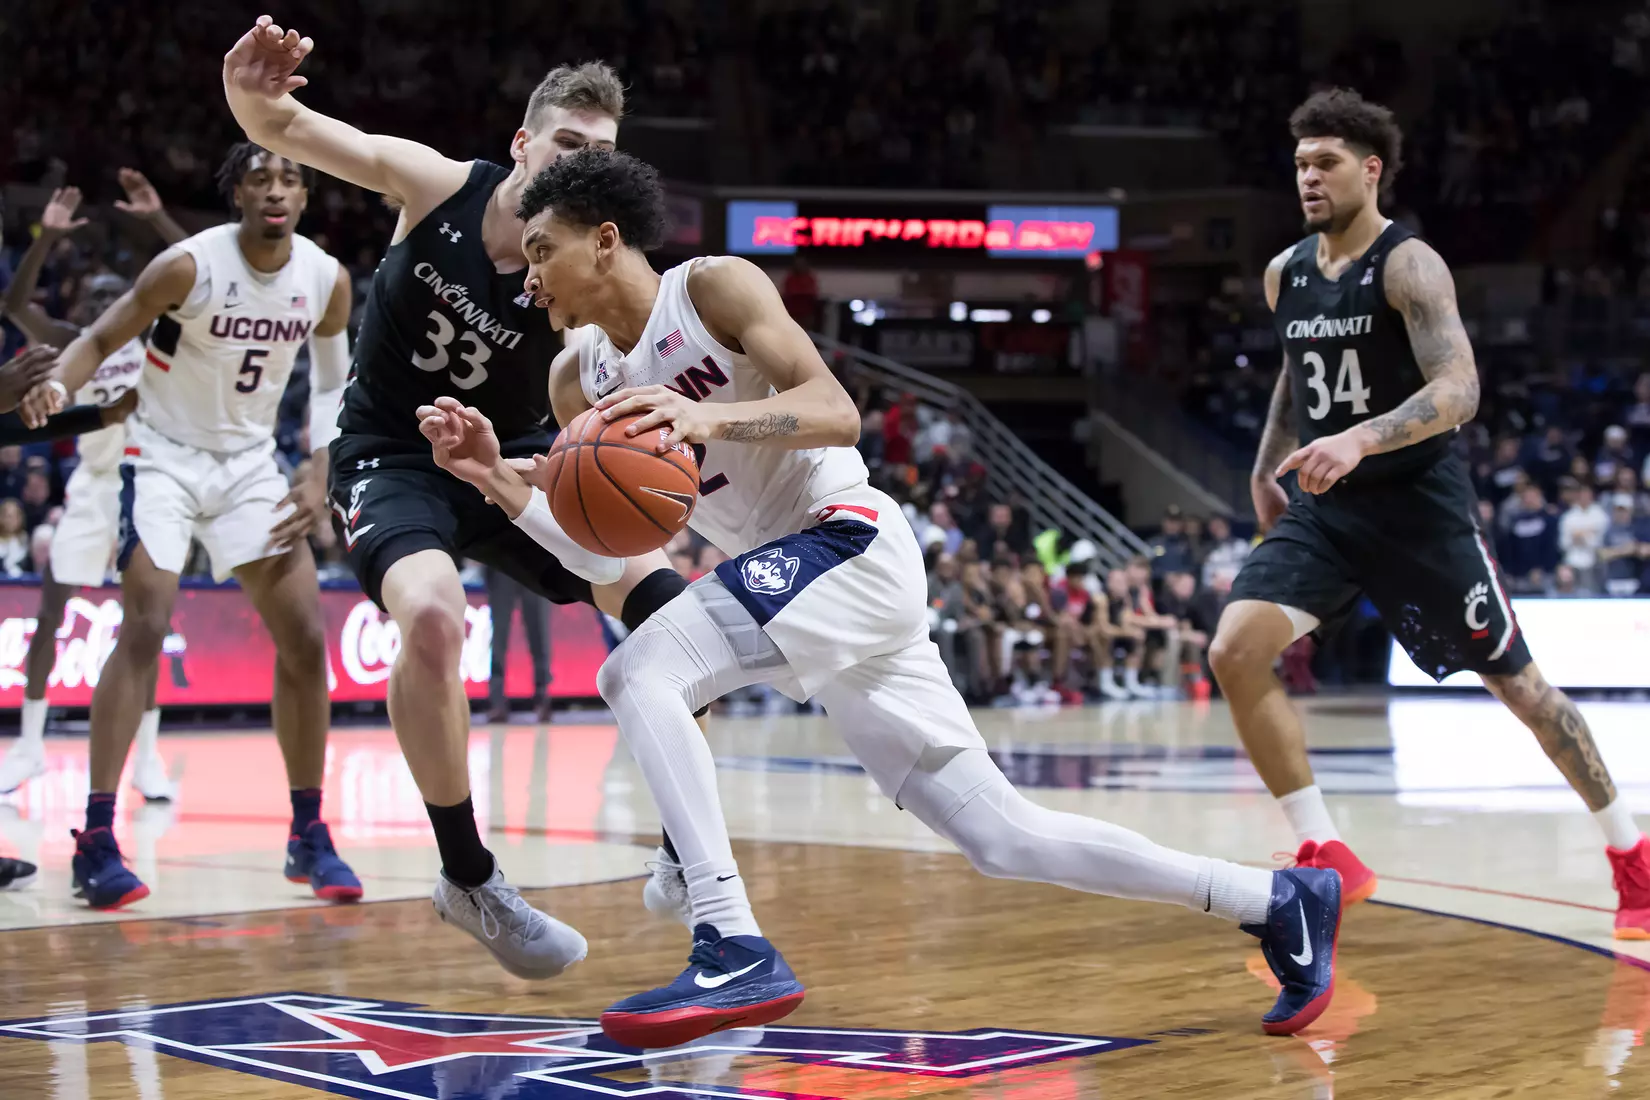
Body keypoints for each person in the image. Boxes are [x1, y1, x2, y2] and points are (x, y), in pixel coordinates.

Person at [422, 147, 1343, 1045]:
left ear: (605, 240)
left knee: (639, 673)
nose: (526, 276)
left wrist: (710, 415)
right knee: (1002, 836)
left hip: (845, 539)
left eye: (540, 249)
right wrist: (495, 481)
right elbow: (598, 550)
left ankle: (729, 936)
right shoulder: (576, 377)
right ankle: (1277, 901)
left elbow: (836, 411)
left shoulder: (709, 289)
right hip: (806, 591)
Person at [220, 15, 709, 977]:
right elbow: (296, 131)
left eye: (599, 156)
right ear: (524, 143)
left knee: (679, 615)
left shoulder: (591, 265)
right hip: (391, 456)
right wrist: (248, 92)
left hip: (518, 458)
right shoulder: (439, 184)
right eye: (566, 144)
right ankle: (468, 877)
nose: (579, 165)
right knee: (436, 623)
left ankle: (685, 849)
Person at [1207, 88, 1650, 938]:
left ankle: (1629, 853)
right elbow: (1295, 372)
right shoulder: (1285, 272)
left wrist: (1362, 440)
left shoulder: (1410, 265)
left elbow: (1460, 388)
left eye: (1325, 162)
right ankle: (1325, 851)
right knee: (1234, 647)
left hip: (1418, 508)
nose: (1308, 177)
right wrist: (1268, 466)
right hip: (1327, 507)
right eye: (1299, 163)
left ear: (1370, 171)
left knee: (1521, 688)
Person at [18, 142, 360, 911]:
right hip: (163, 457)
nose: (276, 190)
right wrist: (55, 389)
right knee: (143, 626)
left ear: (305, 197)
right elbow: (102, 338)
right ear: (235, 192)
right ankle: (97, 838)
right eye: (259, 178)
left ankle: (308, 831)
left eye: (290, 179)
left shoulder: (326, 280)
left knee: (305, 638)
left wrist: (318, 471)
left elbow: (336, 385)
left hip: (247, 464)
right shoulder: (187, 265)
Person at [0, 175, 187, 799]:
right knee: (51, 612)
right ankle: (28, 748)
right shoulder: (72, 344)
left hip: (148, 480)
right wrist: (45, 240)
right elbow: (16, 304)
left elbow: (212, 281)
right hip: (91, 485)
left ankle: (149, 760)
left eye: (117, 293)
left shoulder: (158, 337)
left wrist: (161, 220)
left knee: (147, 624)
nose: (105, 299)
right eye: (96, 294)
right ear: (83, 305)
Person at [484, 565, 551, 723]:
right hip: (502, 563)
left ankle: (543, 698)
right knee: (499, 636)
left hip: (535, 566)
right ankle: (497, 702)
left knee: (539, 633)